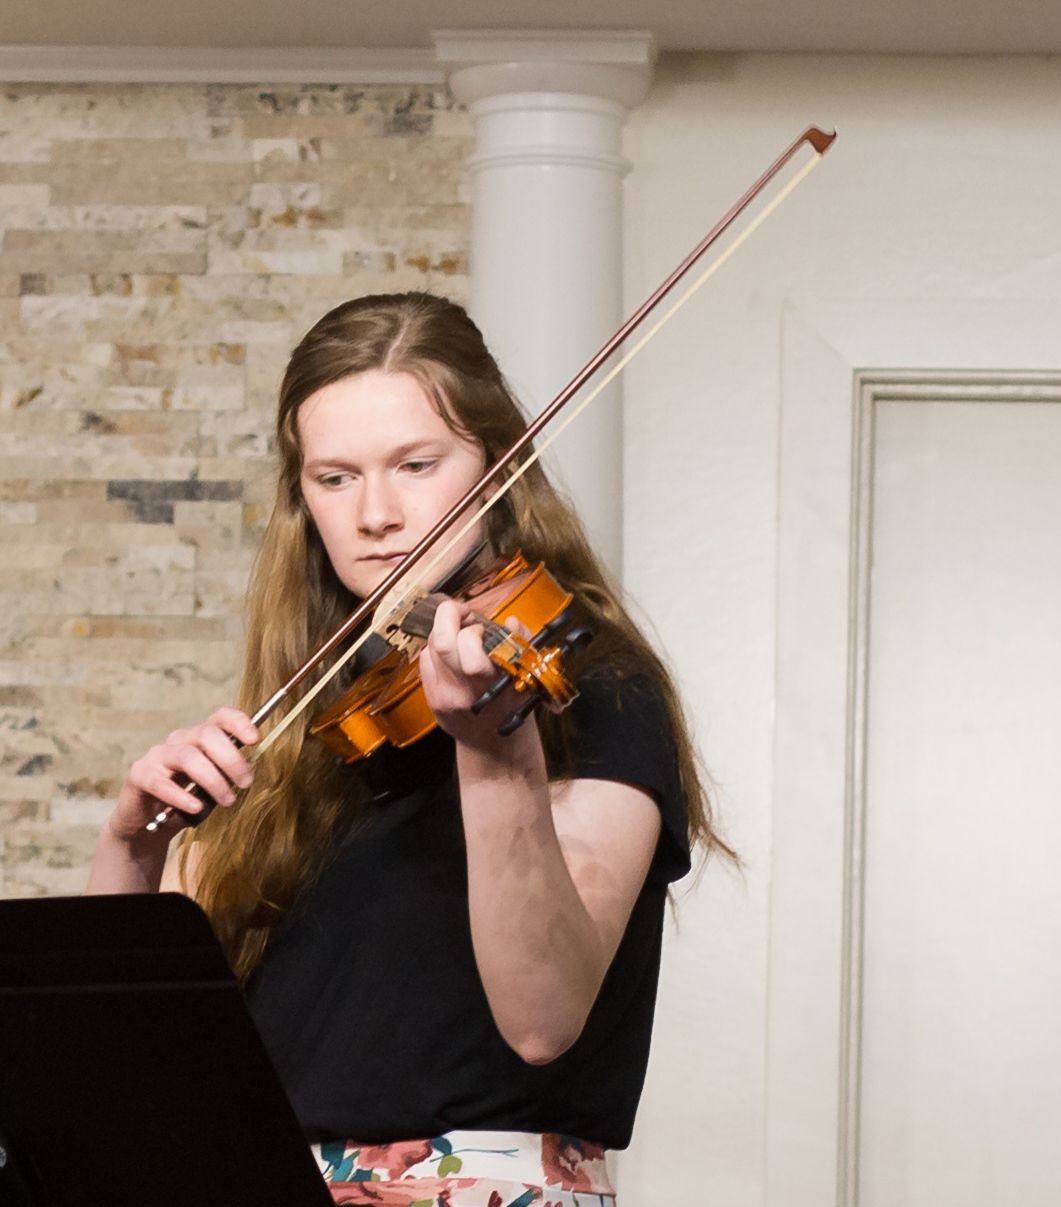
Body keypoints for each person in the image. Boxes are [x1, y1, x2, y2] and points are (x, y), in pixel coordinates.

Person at [87, 292, 729, 1205]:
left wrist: (497, 751)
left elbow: (544, 1018)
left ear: (497, 465)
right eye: (334, 478)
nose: (376, 513)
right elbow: (121, 1054)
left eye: (416, 465)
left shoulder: (593, 687)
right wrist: (131, 847)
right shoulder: (310, 725)